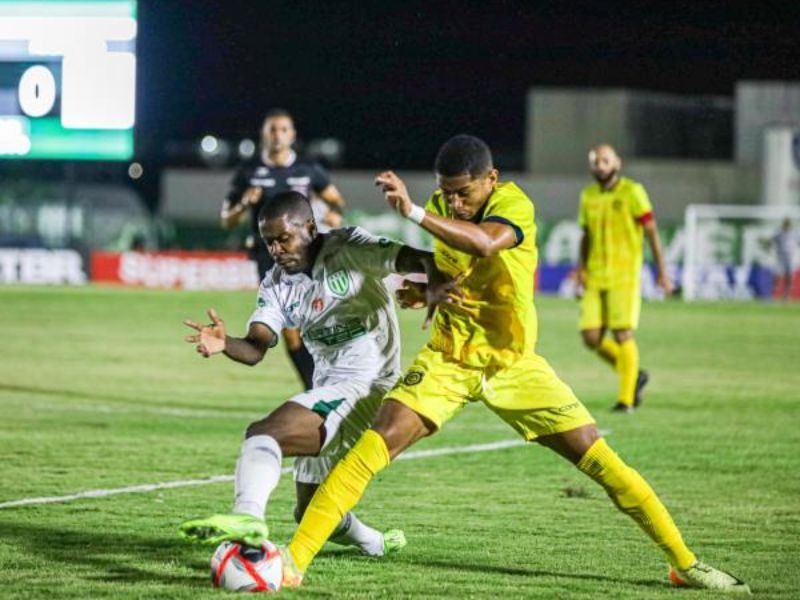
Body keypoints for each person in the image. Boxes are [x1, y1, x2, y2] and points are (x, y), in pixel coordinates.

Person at [280, 135, 750, 594]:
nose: (454, 203)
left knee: (602, 462)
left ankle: (685, 563)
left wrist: (415, 213)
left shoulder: (514, 206)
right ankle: (292, 564)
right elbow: (452, 264)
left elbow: (485, 244)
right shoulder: (441, 205)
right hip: (450, 357)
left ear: (492, 179)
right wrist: (428, 289)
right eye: (445, 193)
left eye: (464, 193)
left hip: (513, 364)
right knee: (373, 446)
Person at [179, 191, 437, 558]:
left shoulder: (350, 246)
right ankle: (377, 544)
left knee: (262, 432)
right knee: (309, 510)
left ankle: (247, 517)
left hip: (370, 385)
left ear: (310, 228)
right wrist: (225, 344)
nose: (277, 250)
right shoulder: (276, 284)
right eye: (269, 242)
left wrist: (434, 290)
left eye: (283, 238)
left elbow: (420, 258)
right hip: (331, 386)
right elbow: (256, 347)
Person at [221, 108, 346, 391]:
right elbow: (226, 220)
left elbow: (336, 202)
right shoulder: (249, 171)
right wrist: (243, 202)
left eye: (283, 129)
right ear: (263, 134)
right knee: (293, 332)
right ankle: (317, 391)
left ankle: (322, 389)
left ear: (292, 135)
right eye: (272, 129)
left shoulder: (307, 169)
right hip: (269, 257)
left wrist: (331, 213)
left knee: (310, 325)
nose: (277, 135)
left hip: (306, 255)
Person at [576, 144, 672, 413]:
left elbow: (651, 231)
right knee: (590, 337)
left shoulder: (633, 192)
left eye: (605, 160)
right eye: (595, 161)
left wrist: (662, 271)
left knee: (622, 333)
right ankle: (634, 373)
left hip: (624, 276)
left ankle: (626, 400)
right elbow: (586, 236)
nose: (600, 165)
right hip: (595, 275)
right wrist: (581, 271)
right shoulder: (588, 196)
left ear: (617, 163)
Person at [768, 218, 797, 301]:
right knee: (777, 275)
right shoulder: (779, 233)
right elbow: (771, 240)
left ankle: (786, 295)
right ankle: (772, 293)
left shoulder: (795, 234)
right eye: (785, 224)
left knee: (789, 276)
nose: (787, 226)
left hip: (791, 257)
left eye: (788, 224)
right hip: (780, 257)